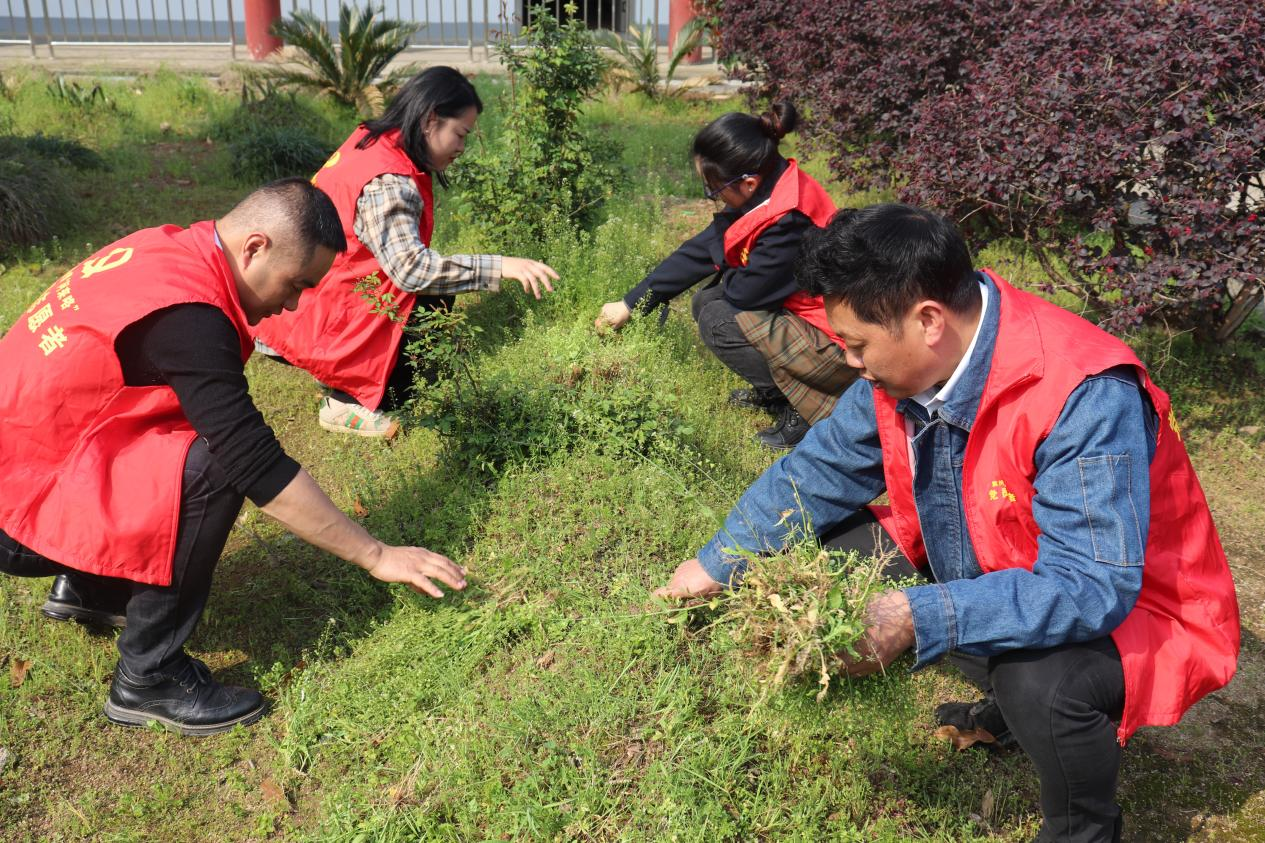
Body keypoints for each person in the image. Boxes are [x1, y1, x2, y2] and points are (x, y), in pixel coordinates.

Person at [655, 204, 1240, 841]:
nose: (849, 362)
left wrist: (915, 614)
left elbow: (1090, 585)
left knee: (1037, 680)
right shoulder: (907, 367)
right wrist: (715, 564)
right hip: (992, 550)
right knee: (824, 551)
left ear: (927, 320)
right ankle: (1002, 702)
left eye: (856, 344)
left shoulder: (1083, 391)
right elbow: (819, 471)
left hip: (1138, 604)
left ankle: (1084, 825)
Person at [0, 179, 468, 736]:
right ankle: (149, 677)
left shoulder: (170, 248)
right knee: (214, 465)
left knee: (184, 435)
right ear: (255, 247)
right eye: (296, 283)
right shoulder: (191, 315)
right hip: (18, 505)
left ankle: (94, 587)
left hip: (32, 459)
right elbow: (255, 464)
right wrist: (375, 555)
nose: (294, 302)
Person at [252, 66, 559, 438]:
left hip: (298, 305)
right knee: (434, 296)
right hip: (319, 319)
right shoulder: (391, 181)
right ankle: (348, 402)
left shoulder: (371, 139)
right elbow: (411, 270)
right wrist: (501, 267)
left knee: (437, 286)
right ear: (431, 119)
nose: (462, 148)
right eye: (460, 134)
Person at [594, 103, 856, 450]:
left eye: (713, 189)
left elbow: (744, 293)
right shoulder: (773, 185)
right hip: (816, 321)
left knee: (718, 317)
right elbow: (702, 250)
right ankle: (776, 389)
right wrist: (632, 302)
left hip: (842, 348)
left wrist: (722, 255)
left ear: (748, 183)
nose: (713, 198)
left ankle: (804, 406)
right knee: (709, 300)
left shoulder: (790, 219)